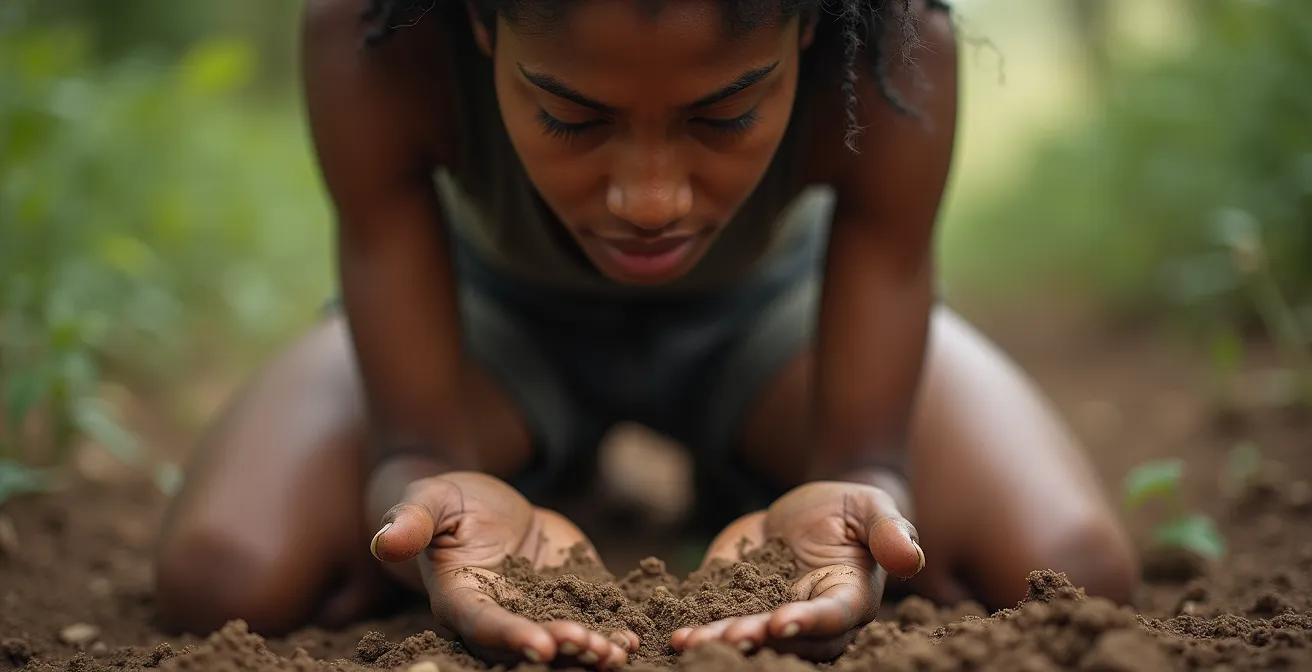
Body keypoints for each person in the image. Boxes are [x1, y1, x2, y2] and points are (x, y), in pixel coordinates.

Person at [152, 0, 1140, 668]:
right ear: (485, 26)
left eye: (726, 115)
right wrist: (436, 498)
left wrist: (855, 498)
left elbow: (866, 455)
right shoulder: (373, 34)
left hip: (771, 321)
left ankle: (730, 465)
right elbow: (413, 447)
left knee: (1063, 563)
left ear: (806, 28)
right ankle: (557, 464)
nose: (650, 201)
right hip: (489, 322)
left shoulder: (897, 45)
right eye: (572, 118)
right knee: (228, 574)